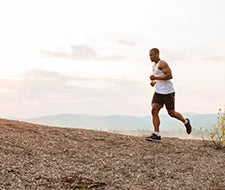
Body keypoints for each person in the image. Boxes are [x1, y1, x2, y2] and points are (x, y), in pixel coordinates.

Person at [146, 48, 192, 141]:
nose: (150, 57)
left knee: (172, 113)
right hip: (158, 91)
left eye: (151, 55)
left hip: (168, 92)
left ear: (157, 55)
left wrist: (155, 77)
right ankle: (157, 134)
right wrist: (154, 82)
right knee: (154, 110)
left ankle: (185, 122)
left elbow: (169, 76)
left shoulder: (163, 64)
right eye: (149, 55)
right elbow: (159, 78)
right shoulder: (154, 66)